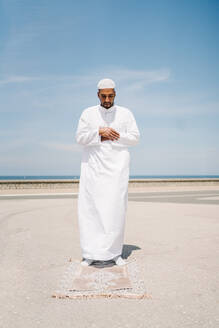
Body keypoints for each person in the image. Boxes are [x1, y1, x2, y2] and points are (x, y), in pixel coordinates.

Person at [75, 78, 140, 266]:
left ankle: (114, 253)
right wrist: (99, 133)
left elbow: (135, 138)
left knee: (115, 210)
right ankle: (90, 253)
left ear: (115, 94)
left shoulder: (126, 114)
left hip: (117, 170)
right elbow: (79, 138)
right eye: (103, 96)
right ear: (98, 95)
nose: (107, 99)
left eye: (110, 95)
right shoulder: (87, 113)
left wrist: (115, 135)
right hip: (93, 169)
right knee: (91, 210)